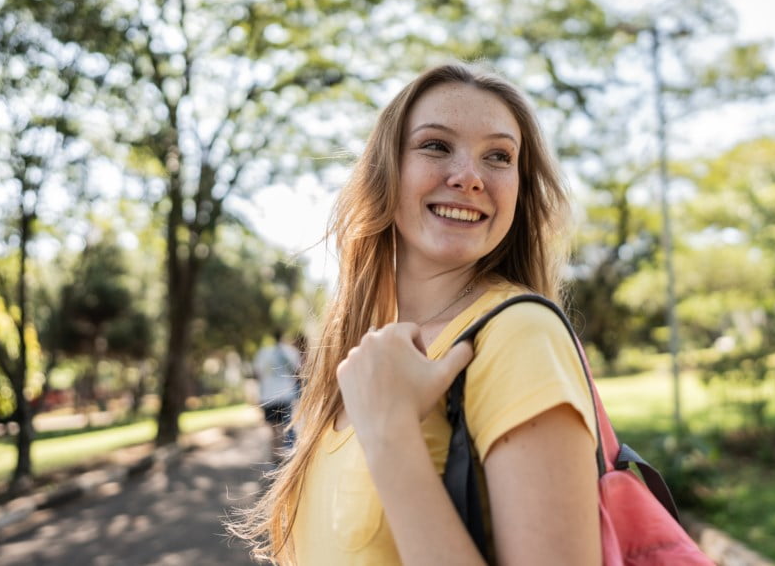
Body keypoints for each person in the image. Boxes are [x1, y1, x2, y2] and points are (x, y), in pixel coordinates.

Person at [237, 62, 601, 564]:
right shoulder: (357, 355)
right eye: (436, 145)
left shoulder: (518, 335)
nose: (469, 177)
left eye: (498, 156)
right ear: (386, 171)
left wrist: (391, 437)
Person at [253, 331, 302, 465]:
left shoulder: (263, 353)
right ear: (283, 337)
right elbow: (297, 373)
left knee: (272, 428)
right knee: (284, 427)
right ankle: (284, 458)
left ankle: (275, 457)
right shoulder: (291, 352)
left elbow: (257, 374)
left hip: (268, 395)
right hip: (285, 394)